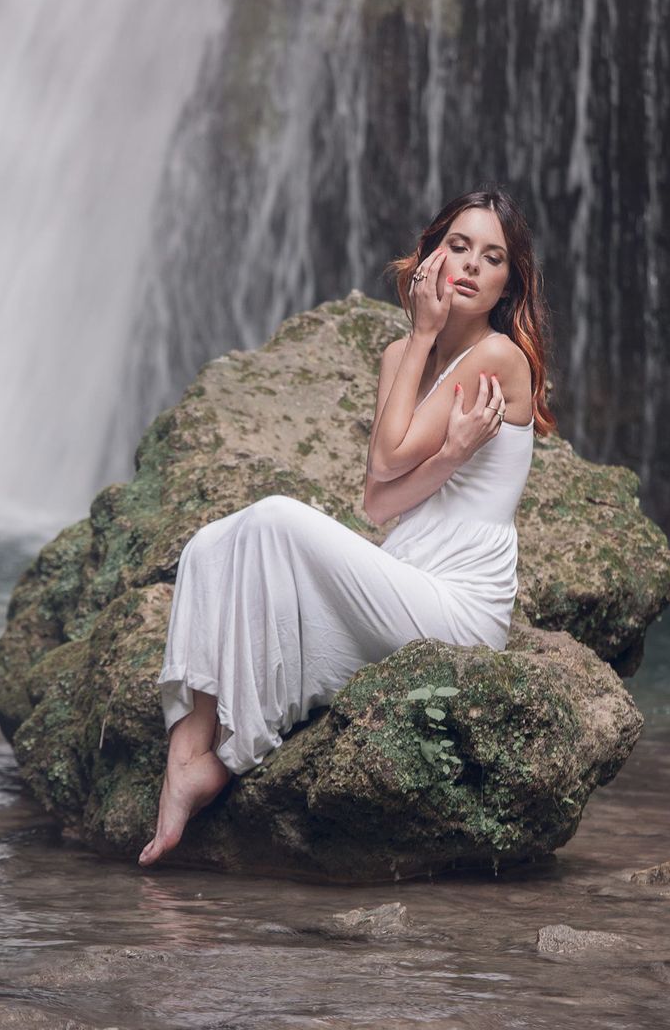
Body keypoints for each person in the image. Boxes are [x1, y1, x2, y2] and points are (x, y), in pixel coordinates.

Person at [138, 185, 555, 867]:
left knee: (273, 519)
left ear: (511, 282)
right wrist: (451, 452)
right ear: (430, 256)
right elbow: (377, 504)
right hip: (403, 575)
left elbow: (390, 457)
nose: (473, 266)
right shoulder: (400, 358)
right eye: (458, 246)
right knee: (210, 545)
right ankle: (191, 761)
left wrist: (423, 335)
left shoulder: (498, 358)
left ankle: (217, 758)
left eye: (494, 257)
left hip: (459, 607)